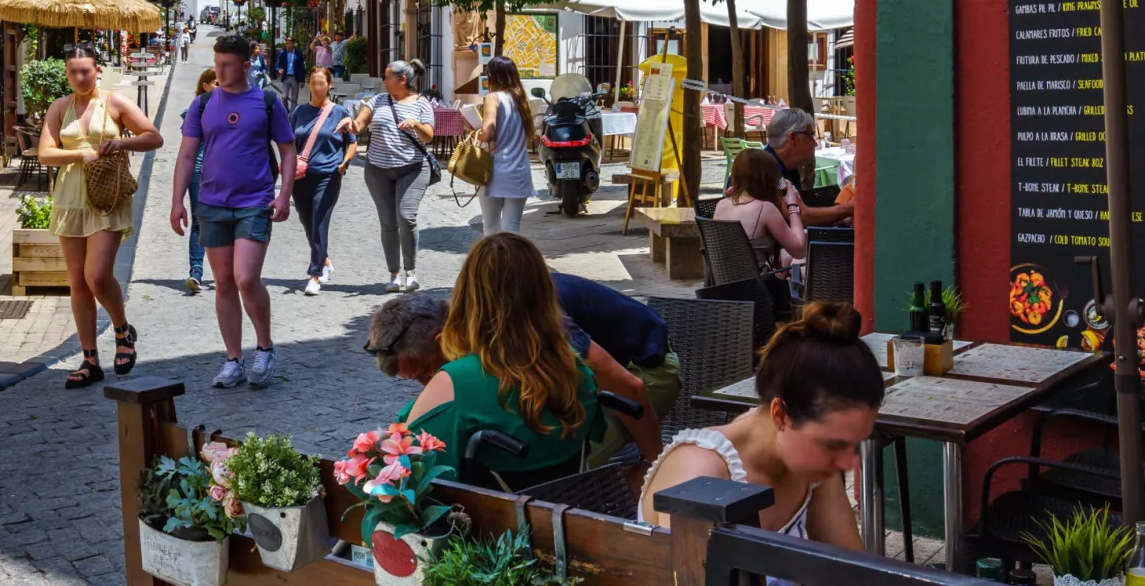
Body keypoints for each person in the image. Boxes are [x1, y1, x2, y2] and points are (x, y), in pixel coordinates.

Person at [640, 302, 882, 563]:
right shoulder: (702, 473)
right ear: (780, 414)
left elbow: (850, 565)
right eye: (832, 445)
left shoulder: (811, 465)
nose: (845, 462)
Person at [367, 269, 675, 470]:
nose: (426, 385)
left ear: (441, 339)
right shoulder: (469, 327)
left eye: (426, 374)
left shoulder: (534, 323)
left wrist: (656, 468)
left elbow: (630, 387)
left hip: (648, 371)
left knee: (561, 465)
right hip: (584, 382)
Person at [389, 234, 604, 486]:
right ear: (544, 293)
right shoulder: (575, 366)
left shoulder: (457, 381)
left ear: (466, 297)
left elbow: (407, 476)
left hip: (495, 521)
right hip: (565, 507)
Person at [172, 34, 297, 389]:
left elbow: (288, 151)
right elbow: (185, 155)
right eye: (217, 63)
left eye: (227, 64)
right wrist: (177, 201)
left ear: (245, 66)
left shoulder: (267, 102)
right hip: (211, 204)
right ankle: (233, 359)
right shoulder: (202, 105)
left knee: (245, 278)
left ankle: (265, 347)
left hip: (254, 203)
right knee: (223, 283)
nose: (220, 70)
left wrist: (283, 194)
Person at [38, 44, 164, 388]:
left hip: (107, 197)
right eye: (73, 71)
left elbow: (154, 137)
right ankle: (89, 359)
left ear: (97, 71)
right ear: (67, 74)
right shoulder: (60, 107)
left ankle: (122, 329)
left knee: (96, 275)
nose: (79, 77)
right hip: (70, 198)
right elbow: (45, 154)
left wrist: (122, 143)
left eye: (85, 71)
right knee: (77, 281)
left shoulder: (115, 103)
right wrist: (83, 154)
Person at [349, 59, 436, 293]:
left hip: (413, 168)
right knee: (388, 222)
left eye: (387, 76)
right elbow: (360, 124)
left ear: (402, 80)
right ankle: (394, 274)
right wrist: (351, 125)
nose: (383, 80)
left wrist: (416, 123)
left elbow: (429, 136)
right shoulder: (377, 101)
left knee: (406, 216)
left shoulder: (421, 103)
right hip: (378, 170)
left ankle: (411, 272)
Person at [289, 65, 356, 295]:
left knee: (320, 222)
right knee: (308, 223)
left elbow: (352, 141)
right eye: (313, 83)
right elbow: (289, 141)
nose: (316, 87)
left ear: (329, 85)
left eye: (321, 83)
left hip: (328, 175)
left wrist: (344, 162)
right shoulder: (299, 111)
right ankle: (325, 261)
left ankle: (314, 275)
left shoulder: (339, 113)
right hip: (300, 176)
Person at [714, 148, 807, 285]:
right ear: (770, 178)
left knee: (787, 258)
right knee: (803, 261)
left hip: (724, 288)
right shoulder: (764, 208)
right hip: (758, 291)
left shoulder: (721, 205)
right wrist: (792, 205)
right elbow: (799, 250)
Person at [476, 55, 536, 235]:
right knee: (512, 228)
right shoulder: (522, 100)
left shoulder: (492, 98)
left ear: (493, 76)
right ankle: (513, 263)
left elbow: (488, 133)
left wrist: (474, 129)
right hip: (519, 170)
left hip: (495, 170)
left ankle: (494, 263)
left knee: (491, 227)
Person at [764, 109, 853, 226]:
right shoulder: (767, 168)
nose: (815, 143)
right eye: (811, 136)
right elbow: (800, 216)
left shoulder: (785, 167)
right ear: (793, 138)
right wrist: (849, 208)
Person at [181, 68, 218, 293]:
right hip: (198, 172)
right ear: (205, 86)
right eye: (215, 83)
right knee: (198, 222)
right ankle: (196, 271)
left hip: (223, 174)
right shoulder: (195, 110)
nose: (219, 87)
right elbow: (187, 149)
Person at [275, 37, 306, 108]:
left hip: (295, 78)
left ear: (293, 44)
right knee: (284, 97)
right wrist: (278, 69)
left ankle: (293, 116)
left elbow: (302, 67)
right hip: (286, 77)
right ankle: (286, 112)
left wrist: (302, 80)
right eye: (287, 43)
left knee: (294, 99)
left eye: (290, 43)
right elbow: (277, 64)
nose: (288, 45)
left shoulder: (298, 53)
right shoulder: (283, 53)